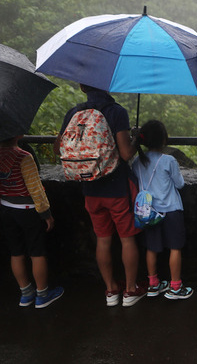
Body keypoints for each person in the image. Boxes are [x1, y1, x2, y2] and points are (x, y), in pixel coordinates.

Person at [54, 84, 146, 307]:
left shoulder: (74, 113)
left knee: (103, 241)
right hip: (116, 189)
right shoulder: (116, 112)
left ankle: (111, 290)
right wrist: (136, 139)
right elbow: (125, 153)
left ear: (81, 87)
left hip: (90, 189)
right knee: (127, 239)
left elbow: (58, 148)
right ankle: (131, 290)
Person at [131, 120, 193, 300]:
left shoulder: (137, 161)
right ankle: (175, 287)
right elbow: (180, 184)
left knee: (151, 248)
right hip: (171, 210)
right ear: (163, 140)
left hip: (149, 212)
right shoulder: (169, 160)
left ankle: (153, 284)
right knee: (175, 248)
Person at [1, 135, 64, 308]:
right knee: (37, 252)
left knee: (16, 252)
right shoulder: (23, 157)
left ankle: (25, 293)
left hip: (6, 208)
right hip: (27, 211)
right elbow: (35, 189)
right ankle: (42, 295)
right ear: (18, 135)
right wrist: (46, 214)